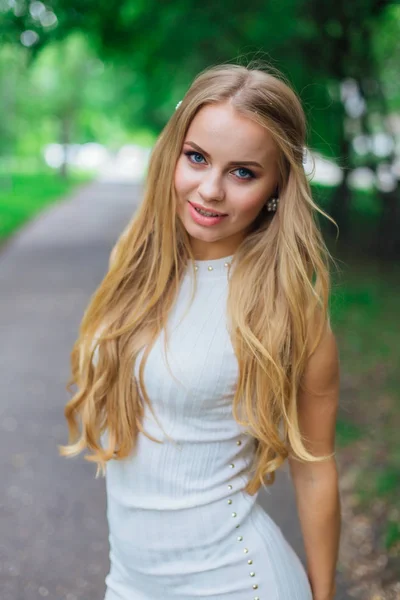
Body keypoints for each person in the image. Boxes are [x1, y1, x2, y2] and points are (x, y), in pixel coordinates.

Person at [59, 61, 341, 600]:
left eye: (242, 172)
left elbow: (316, 467)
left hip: (239, 583)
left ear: (276, 184)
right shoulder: (135, 265)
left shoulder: (289, 307)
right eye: (197, 158)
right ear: (175, 153)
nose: (209, 189)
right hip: (131, 584)